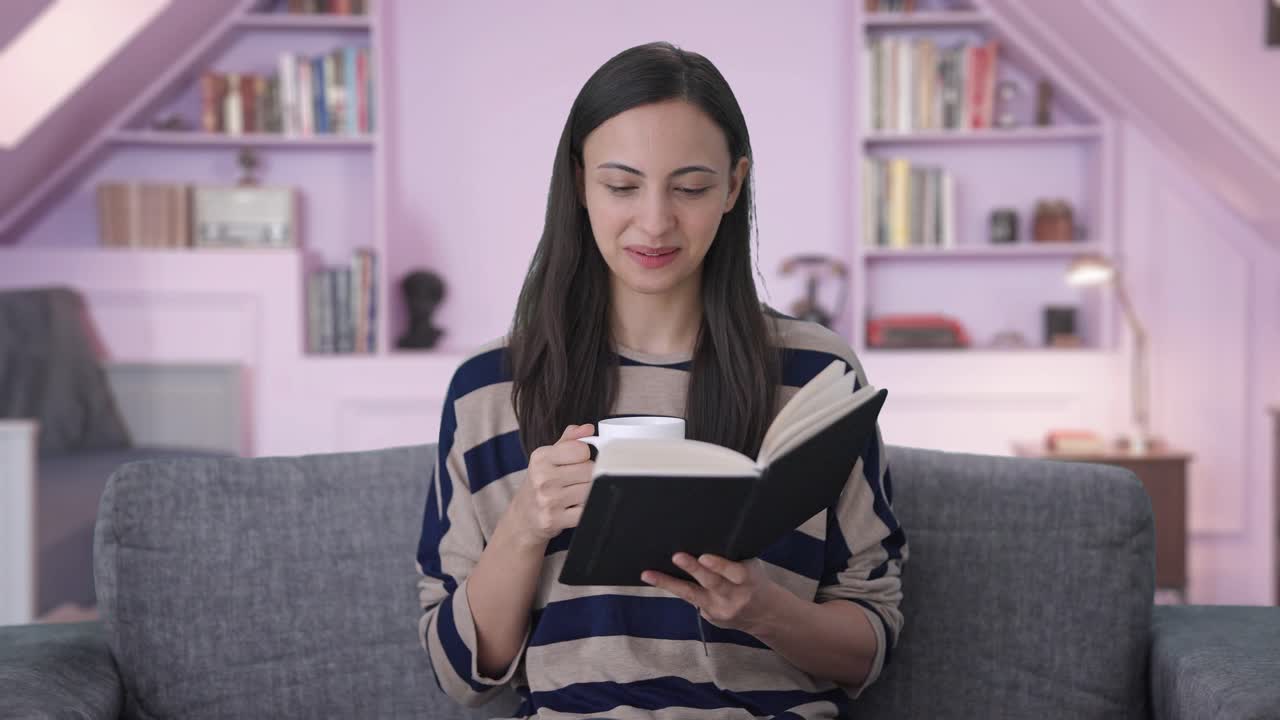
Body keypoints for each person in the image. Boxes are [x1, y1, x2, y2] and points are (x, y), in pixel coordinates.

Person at [416, 41, 906, 719]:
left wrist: (765, 612)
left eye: (691, 187)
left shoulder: (817, 373)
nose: (654, 221)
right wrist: (526, 525)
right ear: (579, 182)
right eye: (621, 186)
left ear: (734, 187)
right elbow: (463, 676)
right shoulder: (491, 390)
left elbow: (870, 643)